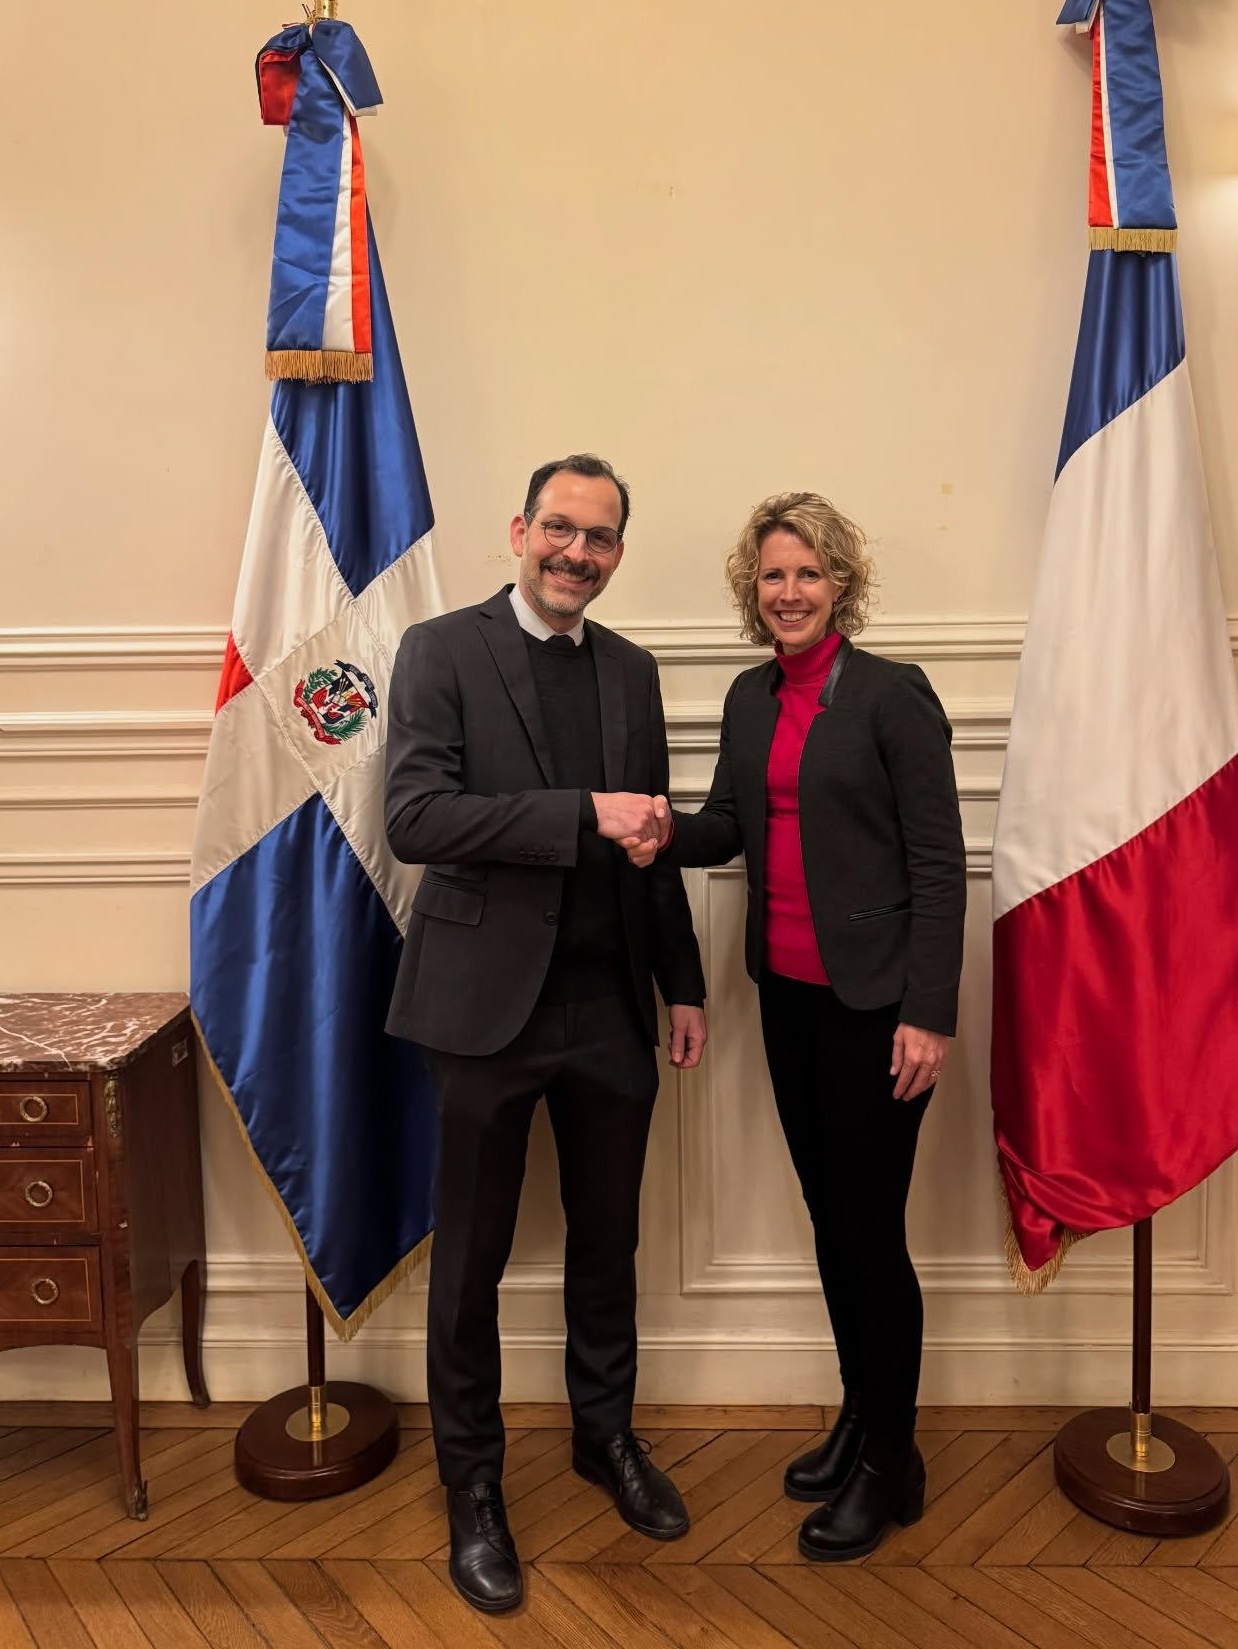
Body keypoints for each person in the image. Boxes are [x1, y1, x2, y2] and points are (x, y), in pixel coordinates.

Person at [385, 454, 708, 1616]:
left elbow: (652, 843)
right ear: (520, 530)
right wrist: (580, 813)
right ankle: (474, 1489)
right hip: (480, 1015)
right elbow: (416, 817)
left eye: (602, 538)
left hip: (611, 1010)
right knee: (467, 1265)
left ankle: (603, 1439)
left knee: (607, 1245)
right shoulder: (439, 651)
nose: (579, 553)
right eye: (561, 530)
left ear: (619, 552)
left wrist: (682, 982)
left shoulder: (633, 669)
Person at [625, 491, 965, 1562]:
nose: (789, 593)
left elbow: (938, 866)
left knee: (871, 1232)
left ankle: (892, 1460)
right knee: (832, 1220)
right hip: (787, 995)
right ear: (752, 590)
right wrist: (657, 831)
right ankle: (862, 1418)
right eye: (773, 576)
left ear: (842, 586)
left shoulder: (892, 698)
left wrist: (930, 1014)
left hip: (878, 1012)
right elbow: (730, 823)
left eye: (809, 573)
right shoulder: (748, 697)